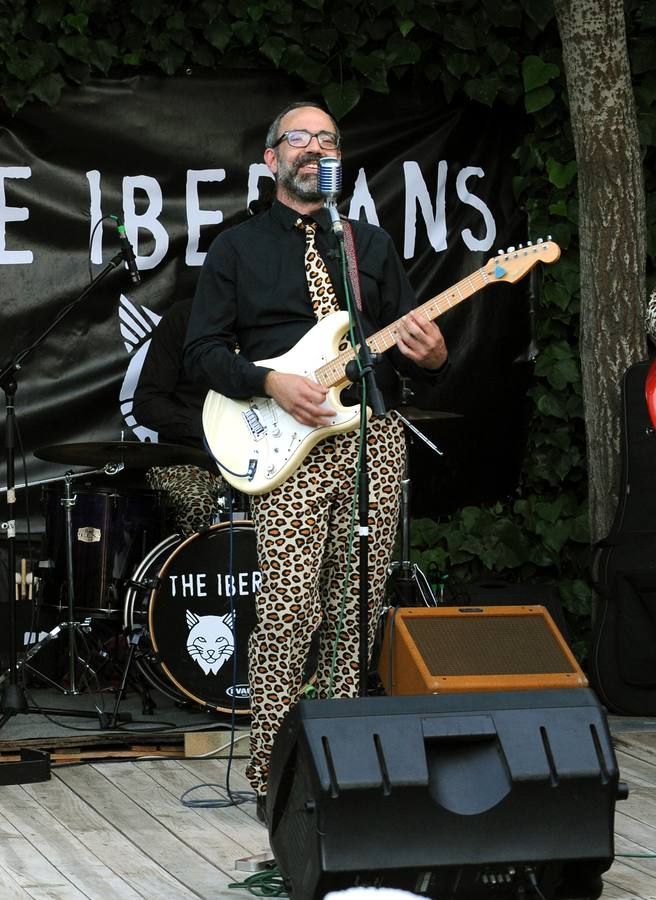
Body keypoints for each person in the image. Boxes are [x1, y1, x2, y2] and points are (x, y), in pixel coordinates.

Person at [184, 101, 448, 818]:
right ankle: (273, 771)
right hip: (285, 443)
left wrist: (433, 356)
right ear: (271, 159)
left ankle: (336, 763)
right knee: (290, 607)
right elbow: (200, 352)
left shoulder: (368, 246)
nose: (314, 148)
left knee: (356, 608)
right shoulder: (237, 248)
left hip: (371, 439)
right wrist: (270, 381)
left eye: (327, 139)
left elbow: (408, 349)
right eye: (299, 138)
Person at [130, 296, 229, 534]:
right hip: (189, 461)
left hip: (267, 462)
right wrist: (208, 426)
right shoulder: (185, 316)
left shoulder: (271, 320)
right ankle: (196, 569)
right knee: (196, 504)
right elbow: (146, 403)